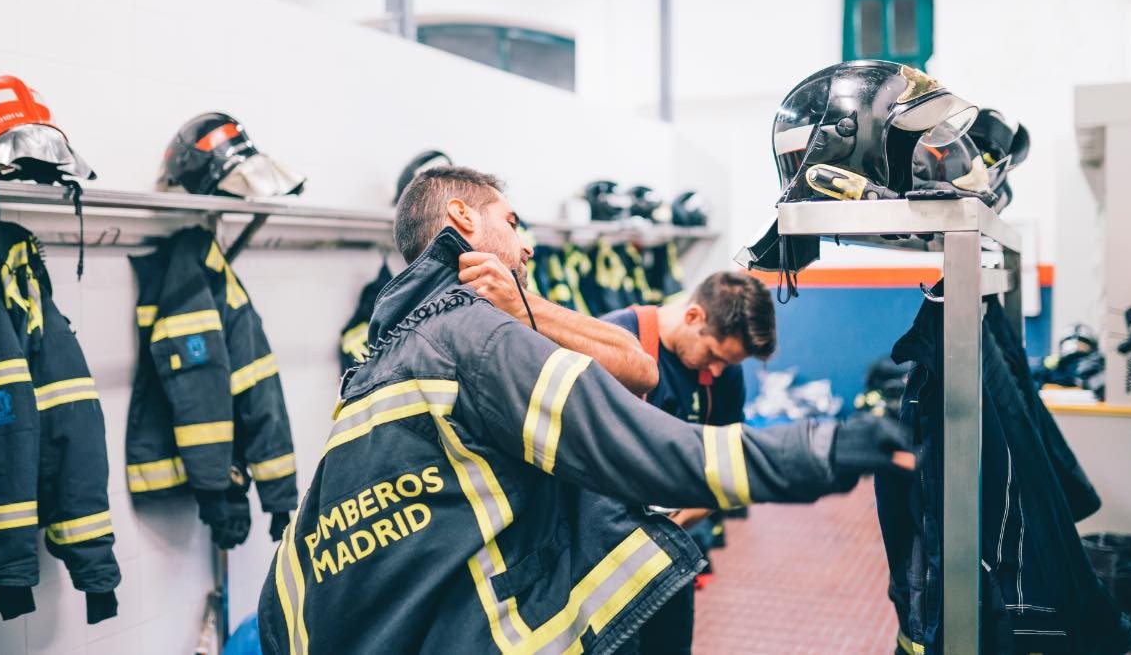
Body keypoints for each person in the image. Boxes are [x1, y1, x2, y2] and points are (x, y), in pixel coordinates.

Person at [257, 166, 915, 654]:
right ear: (462, 219)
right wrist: (824, 447)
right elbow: (658, 450)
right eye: (513, 224)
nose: (529, 246)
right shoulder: (476, 339)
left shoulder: (379, 361)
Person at [601, 271, 776, 655]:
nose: (714, 370)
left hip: (674, 550)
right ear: (694, 316)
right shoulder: (613, 342)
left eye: (726, 363)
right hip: (603, 562)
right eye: (712, 355)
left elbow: (729, 466)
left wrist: (681, 521)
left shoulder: (726, 373)